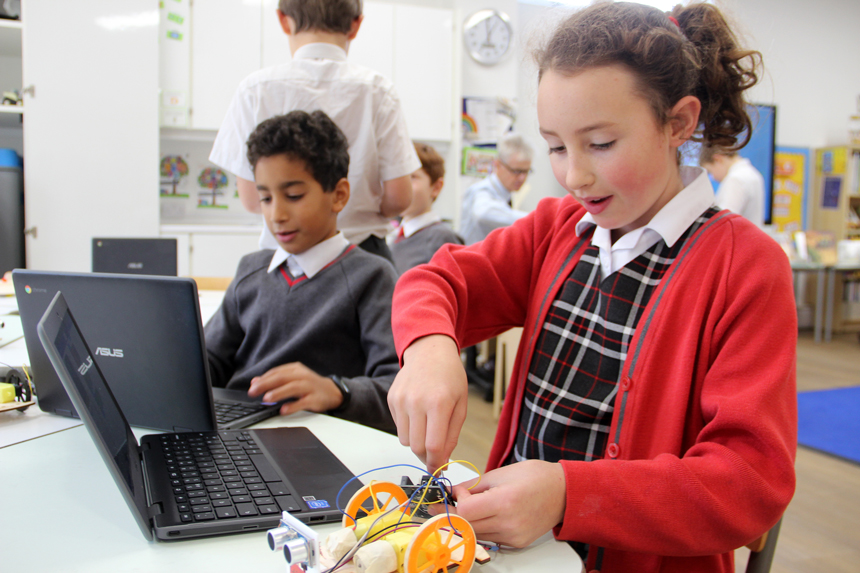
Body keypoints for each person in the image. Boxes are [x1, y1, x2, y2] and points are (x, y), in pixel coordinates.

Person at [386, 3, 796, 572]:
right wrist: (429, 348)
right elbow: (435, 280)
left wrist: (567, 494)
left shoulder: (745, 267)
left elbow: (748, 481)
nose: (574, 175)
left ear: (677, 123)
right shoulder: (558, 229)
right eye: (556, 146)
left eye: (600, 144)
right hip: (516, 554)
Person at [204, 110, 398, 434]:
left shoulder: (373, 278)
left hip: (321, 440)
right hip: (236, 435)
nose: (276, 214)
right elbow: (208, 362)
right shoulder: (250, 270)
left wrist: (337, 391)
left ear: (338, 195)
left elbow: (397, 388)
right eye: (265, 198)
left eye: (293, 196)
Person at [209, 0, 420, 262]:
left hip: (285, 257)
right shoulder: (378, 90)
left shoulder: (255, 89)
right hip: (362, 253)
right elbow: (399, 198)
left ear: (283, 20)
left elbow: (252, 200)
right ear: (356, 25)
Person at [390, 142, 463, 275]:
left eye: (413, 177)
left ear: (436, 187)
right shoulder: (394, 235)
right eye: (400, 177)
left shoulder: (441, 238)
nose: (403, 185)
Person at [459, 133, 533, 245]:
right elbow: (483, 212)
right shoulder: (482, 191)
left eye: (526, 171)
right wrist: (535, 218)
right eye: (517, 171)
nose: (522, 178)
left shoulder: (506, 194)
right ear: (497, 165)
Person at [700, 145, 766, 227]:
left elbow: (724, 223)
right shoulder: (753, 173)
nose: (713, 178)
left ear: (718, 159)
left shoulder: (735, 179)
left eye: (710, 171)